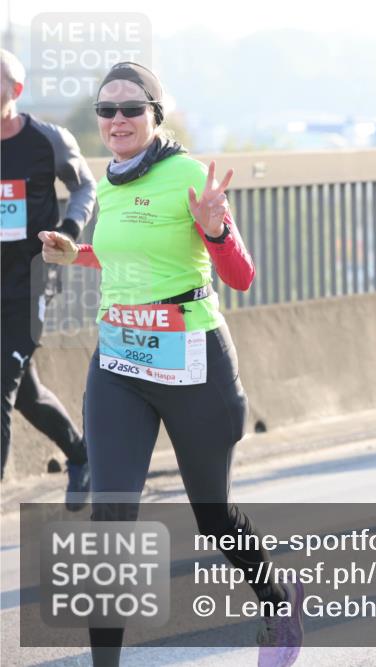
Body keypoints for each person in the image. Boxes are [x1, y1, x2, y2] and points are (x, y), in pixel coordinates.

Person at [39, 62, 303, 667]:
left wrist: (216, 230)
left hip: (193, 365)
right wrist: (78, 254)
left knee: (213, 515)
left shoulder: (188, 175)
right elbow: (130, 257)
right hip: (120, 363)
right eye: (106, 110)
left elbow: (241, 276)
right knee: (110, 518)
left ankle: (276, 599)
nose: (117, 120)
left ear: (155, 115)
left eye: (131, 108)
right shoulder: (110, 181)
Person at [1, 48, 94, 508]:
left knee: (1, 385)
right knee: (26, 394)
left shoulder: (48, 140)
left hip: (32, 280)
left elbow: (85, 186)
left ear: (15, 90)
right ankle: (81, 453)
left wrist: (69, 231)